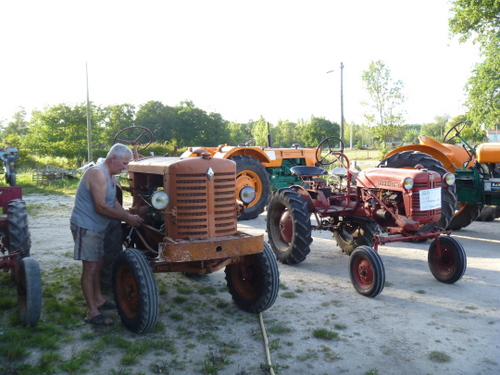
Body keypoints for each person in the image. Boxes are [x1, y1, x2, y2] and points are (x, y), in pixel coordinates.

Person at [70, 143, 143, 326]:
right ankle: (92, 312)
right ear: (113, 159)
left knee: (99, 262)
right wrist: (128, 218)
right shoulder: (97, 173)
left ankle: (99, 300)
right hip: (87, 226)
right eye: (124, 163)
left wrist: (129, 215)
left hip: (98, 227)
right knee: (90, 267)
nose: (126, 168)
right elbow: (101, 206)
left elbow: (113, 203)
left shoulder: (111, 176)